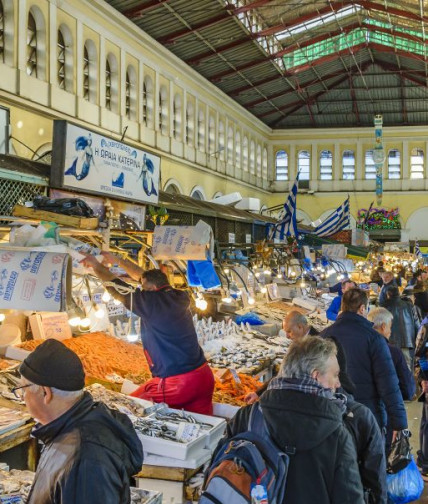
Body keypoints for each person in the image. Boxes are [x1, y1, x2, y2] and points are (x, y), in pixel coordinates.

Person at [225, 337, 365, 504]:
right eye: (335, 375)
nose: (338, 383)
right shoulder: (337, 433)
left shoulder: (247, 416)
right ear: (315, 376)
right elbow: (349, 498)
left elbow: (221, 470)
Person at [82, 253, 215, 414]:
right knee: (203, 427)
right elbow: (144, 277)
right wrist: (118, 261)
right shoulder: (179, 295)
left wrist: (95, 265)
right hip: (204, 376)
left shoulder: (151, 302)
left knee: (126, 410)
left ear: (151, 290)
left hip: (178, 383)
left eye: (143, 289)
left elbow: (115, 286)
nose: (141, 292)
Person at [14, 339, 143, 504]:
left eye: (22, 390)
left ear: (45, 393)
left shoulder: (86, 461)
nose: (22, 398)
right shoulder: (67, 427)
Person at [320, 288, 408, 434]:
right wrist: (400, 424)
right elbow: (388, 384)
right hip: (369, 416)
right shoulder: (374, 338)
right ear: (362, 309)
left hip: (332, 416)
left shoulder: (323, 336)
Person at [367, 307, 415, 401]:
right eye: (390, 327)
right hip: (388, 406)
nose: (390, 331)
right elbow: (407, 390)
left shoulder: (359, 346)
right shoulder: (394, 352)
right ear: (383, 327)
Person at [381, 285, 419, 368]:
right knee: (407, 370)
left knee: (393, 369)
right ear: (399, 293)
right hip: (408, 342)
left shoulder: (384, 307)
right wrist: (417, 343)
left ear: (388, 295)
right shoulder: (410, 305)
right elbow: (417, 326)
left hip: (391, 343)